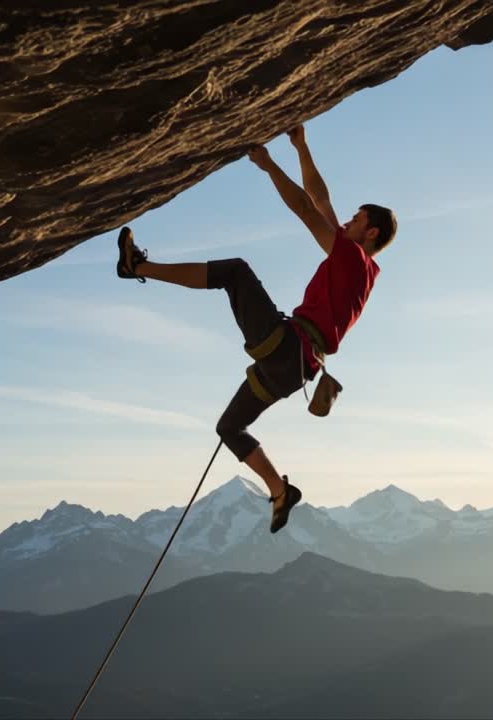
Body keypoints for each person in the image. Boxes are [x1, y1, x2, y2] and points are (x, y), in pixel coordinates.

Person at [116, 125, 397, 533]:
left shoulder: (352, 259)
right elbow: (320, 200)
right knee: (229, 427)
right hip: (294, 370)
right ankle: (279, 491)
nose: (347, 222)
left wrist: (268, 165)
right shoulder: (358, 267)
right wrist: (301, 146)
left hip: (288, 348)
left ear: (370, 232)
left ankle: (136, 267)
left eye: (357, 219)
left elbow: (306, 208)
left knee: (236, 272)